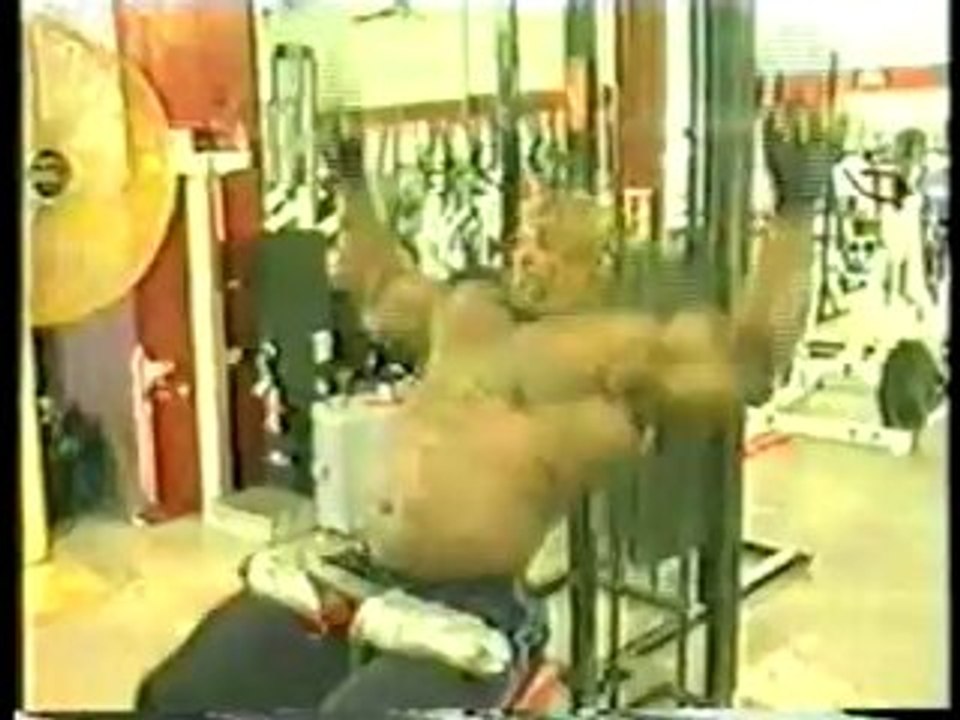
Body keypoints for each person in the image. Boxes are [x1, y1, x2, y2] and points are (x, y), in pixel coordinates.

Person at [135, 102, 844, 714]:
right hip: (357, 572)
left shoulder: (618, 351)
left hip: (471, 606)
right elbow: (379, 284)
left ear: (600, 268)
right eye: (524, 239)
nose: (526, 258)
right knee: (175, 695)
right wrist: (351, 181)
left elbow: (753, 363)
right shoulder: (471, 311)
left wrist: (798, 209)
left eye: (552, 249)